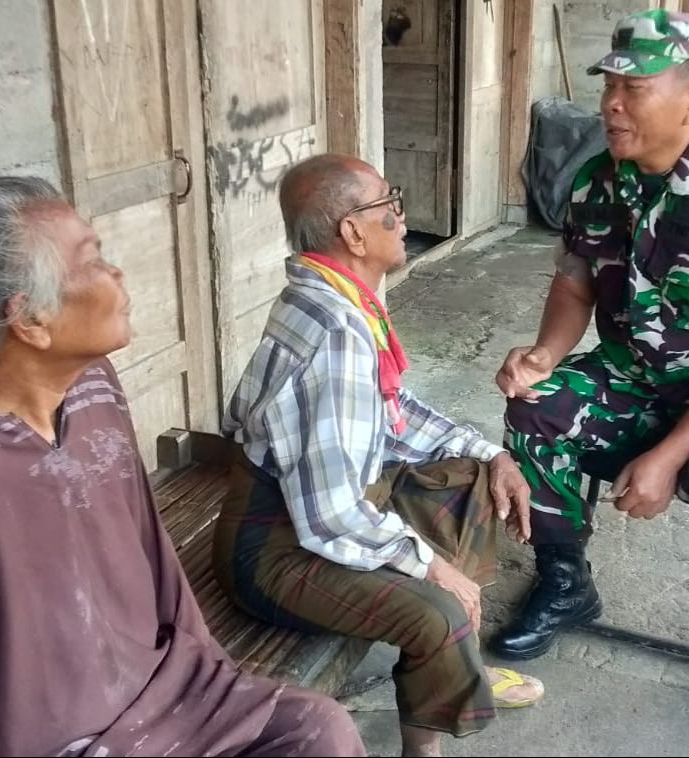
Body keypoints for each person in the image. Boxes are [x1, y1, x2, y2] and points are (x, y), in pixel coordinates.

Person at [0, 176, 365, 757]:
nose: (117, 275)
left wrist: (205, 673)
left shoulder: (91, 390)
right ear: (29, 320)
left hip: (170, 693)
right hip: (57, 741)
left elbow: (150, 555)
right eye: (94, 260)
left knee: (319, 732)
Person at [491, 10, 689, 736]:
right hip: (634, 369)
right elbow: (574, 282)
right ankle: (564, 582)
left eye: (634, 88)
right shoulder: (599, 180)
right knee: (536, 406)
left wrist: (667, 456)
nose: (611, 103)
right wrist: (542, 353)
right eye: (609, 85)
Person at [215, 154, 544, 757]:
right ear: (352, 231)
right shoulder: (337, 330)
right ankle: (433, 716)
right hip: (273, 550)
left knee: (471, 480)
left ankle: (453, 663)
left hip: (312, 506)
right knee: (436, 611)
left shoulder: (338, 297)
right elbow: (332, 516)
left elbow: (392, 409)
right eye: (387, 204)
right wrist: (433, 569)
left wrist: (490, 452)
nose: (400, 213)